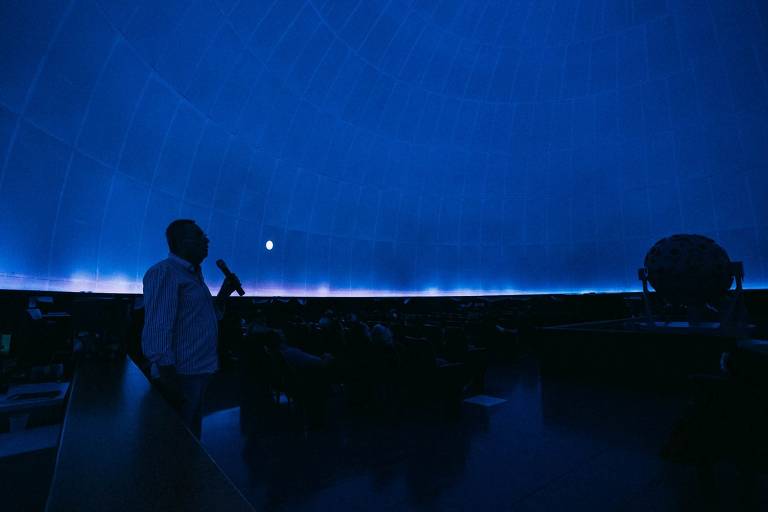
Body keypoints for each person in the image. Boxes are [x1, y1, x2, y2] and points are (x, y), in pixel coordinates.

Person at [141, 219, 241, 438]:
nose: (206, 240)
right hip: (180, 376)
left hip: (197, 371)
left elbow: (206, 316)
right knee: (176, 440)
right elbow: (158, 330)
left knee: (191, 435)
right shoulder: (166, 273)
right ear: (181, 242)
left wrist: (224, 293)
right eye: (199, 235)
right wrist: (170, 381)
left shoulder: (193, 275)